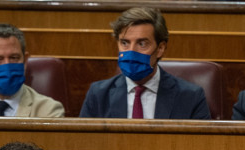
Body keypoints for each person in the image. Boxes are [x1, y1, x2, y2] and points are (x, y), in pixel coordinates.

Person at [79, 7, 211, 119]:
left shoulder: (190, 97)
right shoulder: (98, 94)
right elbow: (84, 145)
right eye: (124, 43)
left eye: (142, 44)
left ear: (160, 48)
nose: (131, 52)